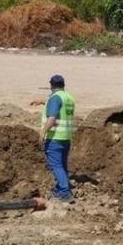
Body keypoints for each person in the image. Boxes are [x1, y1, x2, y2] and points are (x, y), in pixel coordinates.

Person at [35, 74, 75, 202]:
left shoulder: (55, 98)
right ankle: (61, 188)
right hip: (66, 137)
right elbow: (60, 108)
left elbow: (52, 119)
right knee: (62, 165)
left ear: (51, 85)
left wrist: (42, 133)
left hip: (55, 137)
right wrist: (44, 102)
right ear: (63, 85)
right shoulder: (68, 97)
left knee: (56, 165)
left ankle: (64, 193)